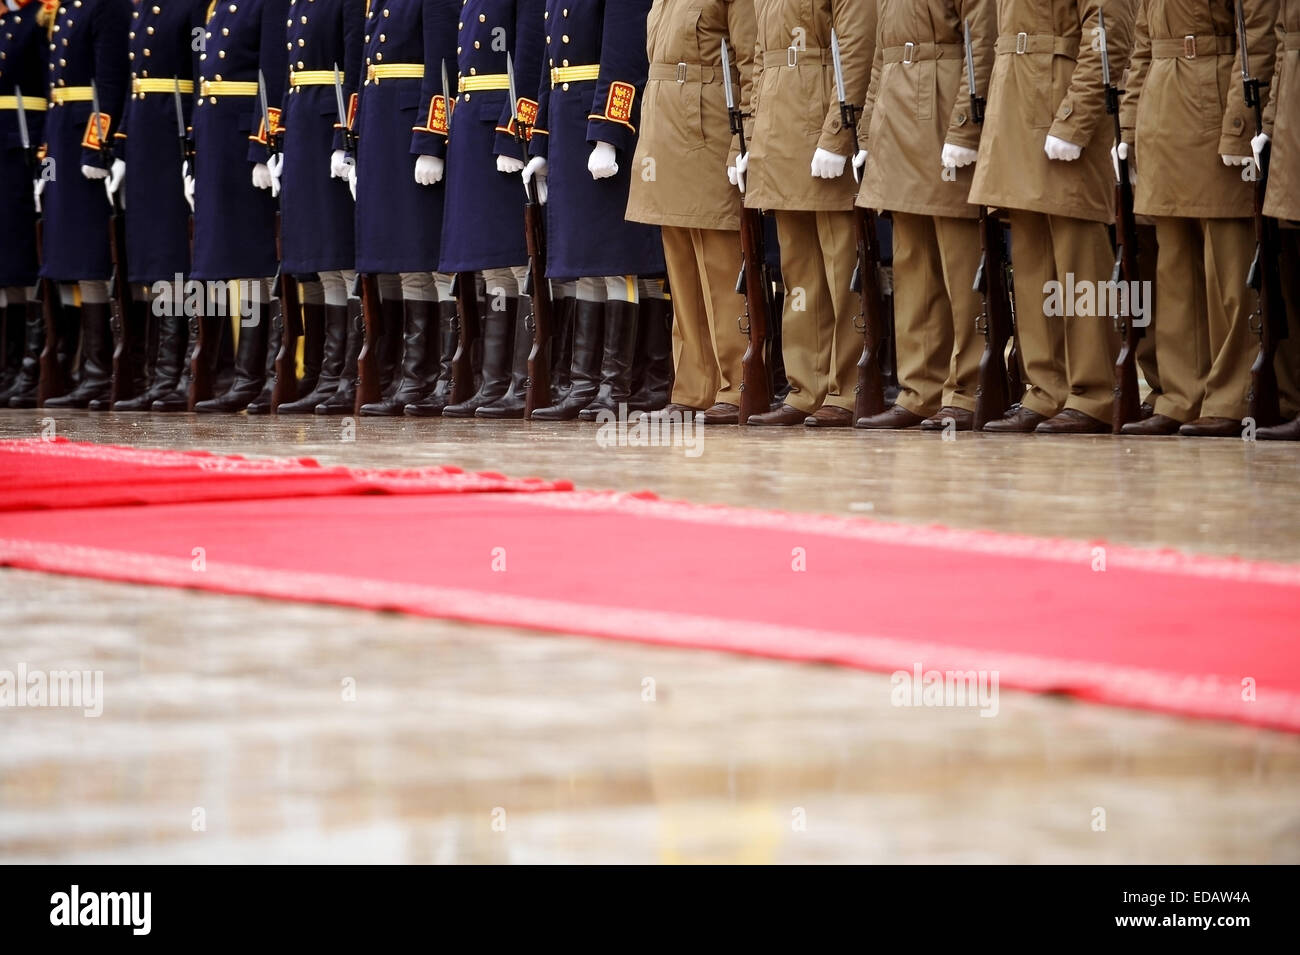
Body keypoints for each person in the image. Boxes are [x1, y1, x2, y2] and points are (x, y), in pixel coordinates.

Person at [968, 0, 1136, 433]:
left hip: (1059, 101)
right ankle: (1044, 389)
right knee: (1030, 260)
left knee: (1078, 260)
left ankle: (1094, 392)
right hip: (1015, 104)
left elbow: (1106, 36)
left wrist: (1075, 120)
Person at [1119, 0, 1280, 437]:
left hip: (1214, 100)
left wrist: (1239, 124)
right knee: (1174, 269)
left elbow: (1257, 36)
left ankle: (1233, 396)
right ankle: (1180, 394)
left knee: (1227, 267)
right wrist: (1130, 127)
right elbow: (1141, 46)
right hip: (1162, 109)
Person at [854, 0, 997, 432]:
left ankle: (969, 387)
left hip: (941, 106)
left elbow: (981, 44)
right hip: (896, 116)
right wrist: (866, 131)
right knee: (912, 261)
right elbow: (880, 59)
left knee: (958, 261)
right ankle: (919, 389)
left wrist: (964, 126)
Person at [523, 0, 667, 422]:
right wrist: (541, 144)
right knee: (584, 260)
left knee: (614, 258)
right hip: (568, 123)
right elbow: (549, 70)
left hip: (601, 120)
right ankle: (583, 382)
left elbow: (624, 55)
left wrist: (609, 132)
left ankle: (615, 384)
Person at [740, 0, 876, 428]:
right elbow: (759, 63)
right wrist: (751, 137)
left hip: (820, 120)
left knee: (840, 269)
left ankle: (848, 385)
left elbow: (856, 50)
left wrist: (838, 134)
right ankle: (805, 386)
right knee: (798, 272)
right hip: (778, 132)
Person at [624, 0, 756, 425]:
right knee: (680, 269)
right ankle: (693, 386)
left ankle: (737, 385)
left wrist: (743, 140)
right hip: (665, 130)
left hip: (709, 126)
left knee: (719, 267)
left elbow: (750, 64)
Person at [107, 0, 208, 412]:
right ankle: (155, 373)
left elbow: (203, 78)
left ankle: (178, 372)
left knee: (173, 254)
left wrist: (194, 147)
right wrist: (120, 147)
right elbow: (135, 83)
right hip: (146, 136)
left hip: (173, 134)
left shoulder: (191, 6)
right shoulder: (145, 9)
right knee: (148, 255)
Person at [188, 0, 289, 413]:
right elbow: (204, 80)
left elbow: (272, 75)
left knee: (254, 258)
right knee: (223, 261)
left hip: (243, 139)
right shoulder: (219, 6)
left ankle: (261, 374)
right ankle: (236, 374)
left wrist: (264, 145)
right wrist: (193, 154)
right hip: (215, 139)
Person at [270, 0, 366, 414]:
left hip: (329, 122)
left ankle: (347, 375)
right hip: (302, 123)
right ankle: (323, 375)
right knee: (315, 256)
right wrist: (278, 141)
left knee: (338, 251)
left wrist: (344, 139)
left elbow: (354, 65)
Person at [39, 0, 131, 409]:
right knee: (66, 256)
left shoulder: (103, 7)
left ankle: (99, 371)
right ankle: (83, 368)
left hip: (84, 140)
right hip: (62, 132)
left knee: (91, 255)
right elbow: (51, 89)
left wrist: (98, 147)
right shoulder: (68, 8)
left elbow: (110, 81)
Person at [0, 0, 48, 409]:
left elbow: (55, 85)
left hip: (22, 143)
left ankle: (31, 367)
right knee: (3, 264)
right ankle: (9, 364)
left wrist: (43, 159)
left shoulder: (34, 18)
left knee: (21, 259)